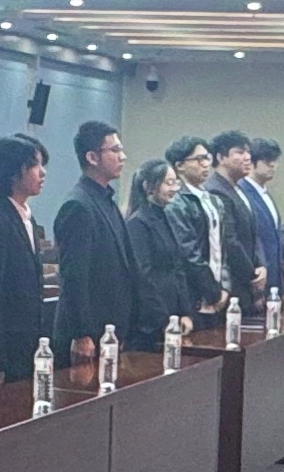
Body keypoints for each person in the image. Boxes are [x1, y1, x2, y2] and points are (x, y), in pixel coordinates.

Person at [54, 121, 141, 363]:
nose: (123, 156)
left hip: (111, 328)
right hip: (88, 334)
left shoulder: (106, 200)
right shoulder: (78, 205)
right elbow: (74, 276)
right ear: (92, 157)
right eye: (115, 150)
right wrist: (81, 333)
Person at [0, 133, 51, 374]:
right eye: (34, 165)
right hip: (9, 341)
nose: (42, 173)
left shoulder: (28, 218)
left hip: (31, 336)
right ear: (13, 172)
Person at [126, 157, 197, 332]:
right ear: (148, 186)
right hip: (151, 319)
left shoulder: (165, 216)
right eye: (168, 183)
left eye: (175, 183)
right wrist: (164, 319)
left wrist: (185, 312)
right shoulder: (138, 223)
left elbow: (178, 267)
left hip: (174, 313)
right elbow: (144, 276)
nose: (174, 189)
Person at [162, 134, 227, 316]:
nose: (206, 164)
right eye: (199, 159)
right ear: (179, 165)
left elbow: (223, 248)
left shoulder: (213, 200)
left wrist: (225, 286)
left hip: (218, 291)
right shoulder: (176, 201)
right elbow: (189, 253)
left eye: (207, 158)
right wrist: (213, 292)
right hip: (194, 295)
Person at [220, 130, 284, 304]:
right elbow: (240, 240)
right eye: (267, 161)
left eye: (275, 160)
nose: (273, 165)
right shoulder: (242, 192)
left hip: (273, 276)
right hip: (254, 279)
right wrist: (254, 273)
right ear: (253, 162)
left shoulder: (265, 193)